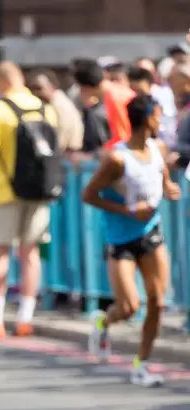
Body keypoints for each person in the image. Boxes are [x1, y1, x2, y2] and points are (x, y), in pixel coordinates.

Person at [82, 95, 180, 387]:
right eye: (158, 116)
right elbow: (88, 195)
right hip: (120, 238)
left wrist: (169, 187)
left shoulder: (157, 148)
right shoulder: (116, 159)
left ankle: (142, 364)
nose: (160, 122)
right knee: (129, 308)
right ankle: (103, 322)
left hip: (150, 232)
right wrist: (126, 210)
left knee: (157, 302)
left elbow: (162, 174)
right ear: (147, 118)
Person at [0, 61, 60, 339]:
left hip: (5, 190)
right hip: (39, 190)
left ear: (0, 81)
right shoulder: (45, 108)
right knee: (31, 254)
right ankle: (25, 319)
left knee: (0, 253)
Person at [28, 69, 84, 153]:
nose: (35, 93)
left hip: (68, 155)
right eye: (32, 89)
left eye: (39, 88)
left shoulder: (59, 106)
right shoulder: (54, 103)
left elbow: (60, 142)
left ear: (52, 86)